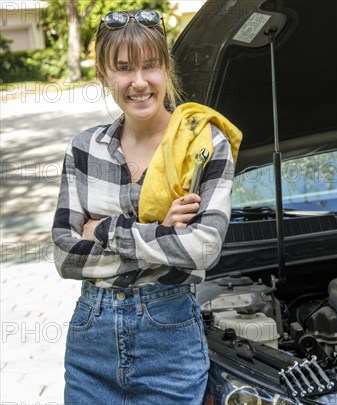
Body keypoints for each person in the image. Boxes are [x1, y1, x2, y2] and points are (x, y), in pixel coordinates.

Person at [51, 9, 241, 403]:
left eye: (150, 65)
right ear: (105, 75)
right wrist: (162, 235)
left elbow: (203, 249)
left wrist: (102, 230)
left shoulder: (203, 146)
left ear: (167, 68)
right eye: (123, 68)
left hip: (170, 340)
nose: (138, 82)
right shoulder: (84, 149)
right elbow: (65, 257)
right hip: (91, 343)